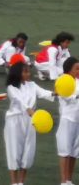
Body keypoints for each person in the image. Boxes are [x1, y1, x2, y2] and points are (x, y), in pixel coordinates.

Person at [4, 62, 55, 185]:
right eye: (25, 71)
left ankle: (21, 182)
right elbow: (19, 100)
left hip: (31, 120)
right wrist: (29, 110)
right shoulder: (11, 87)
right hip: (15, 121)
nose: (28, 74)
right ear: (18, 74)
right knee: (14, 149)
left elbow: (43, 93)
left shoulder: (32, 85)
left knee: (28, 149)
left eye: (28, 71)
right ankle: (14, 182)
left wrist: (55, 93)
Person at [56, 57, 79, 185]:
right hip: (67, 119)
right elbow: (66, 97)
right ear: (69, 70)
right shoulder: (63, 81)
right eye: (76, 68)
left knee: (74, 152)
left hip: (78, 120)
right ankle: (63, 181)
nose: (78, 71)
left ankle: (69, 180)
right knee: (65, 151)